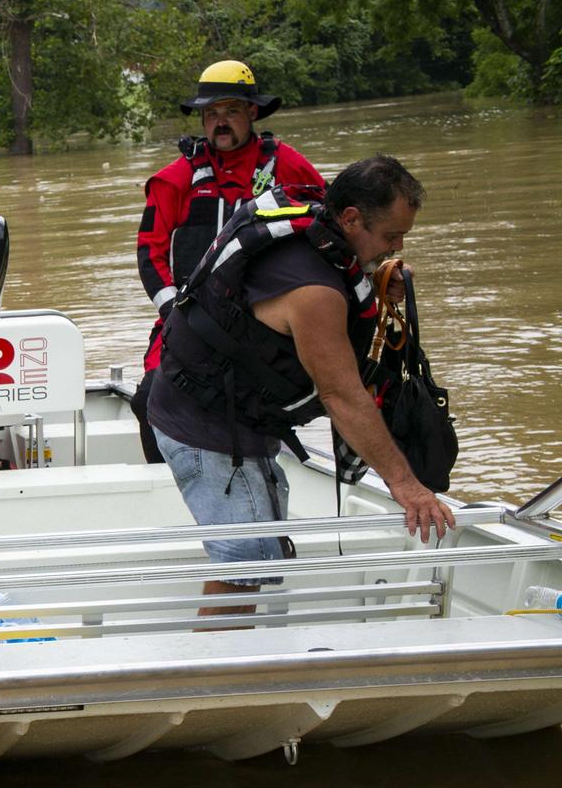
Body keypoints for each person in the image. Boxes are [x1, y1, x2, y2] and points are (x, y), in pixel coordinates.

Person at [149, 154, 457, 619]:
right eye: (391, 236)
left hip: (204, 403)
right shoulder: (315, 293)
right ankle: (213, 684)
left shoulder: (313, 223)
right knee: (243, 567)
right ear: (351, 218)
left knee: (254, 558)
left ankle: (229, 666)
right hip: (206, 429)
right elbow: (342, 397)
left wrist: (372, 279)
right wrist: (406, 485)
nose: (395, 248)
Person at [132, 60, 325, 463]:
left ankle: (266, 467)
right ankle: (173, 492)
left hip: (265, 318)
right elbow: (150, 253)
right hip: (187, 316)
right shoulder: (175, 179)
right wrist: (173, 311)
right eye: (211, 114)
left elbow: (334, 226)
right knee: (149, 399)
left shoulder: (289, 166)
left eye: (230, 112)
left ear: (252, 113)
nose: (220, 123)